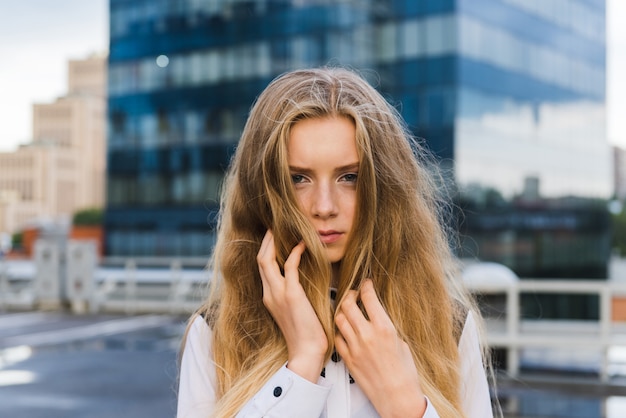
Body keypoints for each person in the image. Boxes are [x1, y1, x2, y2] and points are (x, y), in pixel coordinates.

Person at [177, 67, 495, 418]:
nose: (324, 207)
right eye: (298, 178)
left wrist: (405, 406)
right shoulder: (215, 333)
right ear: (265, 192)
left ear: (383, 187)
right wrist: (303, 362)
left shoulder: (447, 325)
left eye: (349, 177)